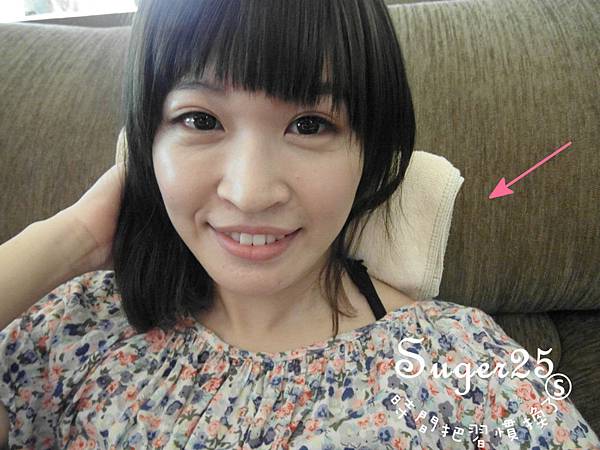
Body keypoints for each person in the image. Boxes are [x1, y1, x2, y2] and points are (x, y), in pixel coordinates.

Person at [1, 0, 599, 448]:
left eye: (310, 125)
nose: (251, 192)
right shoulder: (80, 328)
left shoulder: (461, 365)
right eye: (201, 120)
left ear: (369, 153)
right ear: (145, 144)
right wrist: (70, 238)